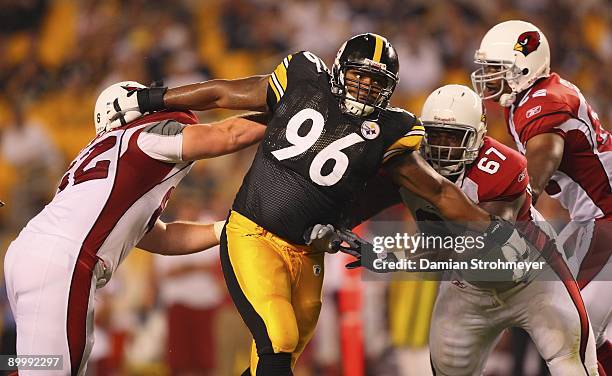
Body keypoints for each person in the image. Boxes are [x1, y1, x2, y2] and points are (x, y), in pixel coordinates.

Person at [107, 34, 525, 375]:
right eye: (360, 77)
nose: (366, 89)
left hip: (309, 250)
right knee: (278, 337)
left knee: (281, 354)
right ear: (340, 70)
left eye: (377, 83)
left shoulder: (391, 130)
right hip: (255, 231)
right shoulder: (304, 78)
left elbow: (437, 192)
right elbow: (224, 93)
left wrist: (492, 230)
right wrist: (152, 100)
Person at [3, 81, 266, 376]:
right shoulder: (140, 137)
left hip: (30, 252)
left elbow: (160, 237)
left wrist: (224, 229)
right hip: (63, 260)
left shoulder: (111, 157)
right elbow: (228, 135)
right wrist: (287, 116)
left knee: (35, 367)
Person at [400, 84, 598, 375]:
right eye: (436, 134)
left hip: (534, 279)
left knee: (575, 368)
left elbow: (490, 243)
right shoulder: (409, 161)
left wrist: (391, 255)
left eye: (454, 136)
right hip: (467, 287)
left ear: (478, 137)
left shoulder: (503, 166)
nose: (443, 146)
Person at [471, 20, 612, 373]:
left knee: (569, 323)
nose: (487, 77)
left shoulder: (544, 101)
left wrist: (519, 197)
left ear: (522, 67)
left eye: (495, 69)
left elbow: (543, 156)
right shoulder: (529, 97)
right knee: (572, 322)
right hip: (593, 217)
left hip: (605, 217)